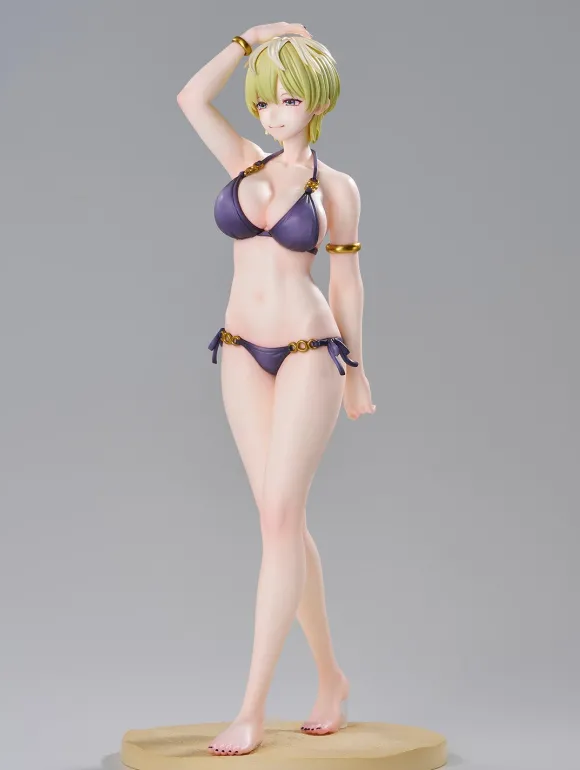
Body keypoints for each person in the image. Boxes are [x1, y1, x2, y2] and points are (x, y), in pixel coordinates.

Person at [176, 21, 375, 756]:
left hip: (307, 351)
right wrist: (247, 40)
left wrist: (357, 370)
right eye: (264, 101)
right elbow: (190, 99)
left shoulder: (337, 188)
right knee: (279, 521)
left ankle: (251, 706)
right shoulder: (243, 160)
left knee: (281, 518)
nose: (272, 114)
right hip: (238, 348)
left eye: (288, 100)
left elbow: (346, 283)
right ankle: (331, 679)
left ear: (317, 103)